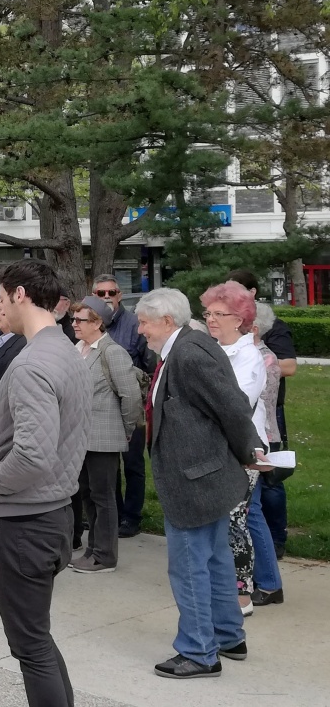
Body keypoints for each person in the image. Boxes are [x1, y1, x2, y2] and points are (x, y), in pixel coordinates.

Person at [0, 261, 89, 705]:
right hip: (51, 515)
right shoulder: (65, 350)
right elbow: (46, 431)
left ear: (21, 294)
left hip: (24, 525)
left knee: (30, 646)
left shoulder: (31, 363)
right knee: (37, 639)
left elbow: (32, 455)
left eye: (2, 298)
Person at [135, 287, 268, 679]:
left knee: (190, 567)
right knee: (215, 559)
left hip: (194, 480)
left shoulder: (189, 353)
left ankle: (199, 652)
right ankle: (228, 636)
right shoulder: (183, 347)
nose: (140, 330)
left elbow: (232, 405)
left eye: (144, 323)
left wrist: (250, 450)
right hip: (202, 475)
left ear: (167, 321)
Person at [200, 281, 274, 615]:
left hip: (243, 450)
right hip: (215, 446)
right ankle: (223, 587)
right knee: (220, 520)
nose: (211, 319)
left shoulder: (249, 356)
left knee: (234, 520)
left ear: (240, 319)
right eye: (208, 313)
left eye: (219, 314)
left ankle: (242, 595)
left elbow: (235, 405)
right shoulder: (213, 349)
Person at [226, 269, 297, 559]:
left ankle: (275, 539)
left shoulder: (268, 338)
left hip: (265, 420)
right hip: (251, 422)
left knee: (269, 483)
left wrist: (259, 358)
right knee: (252, 501)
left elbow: (288, 366)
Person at [69, 296, 141, 573]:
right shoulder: (78, 349)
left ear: (98, 323)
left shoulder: (112, 352)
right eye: (74, 318)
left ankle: (105, 556)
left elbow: (130, 396)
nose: (74, 324)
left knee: (103, 498)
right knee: (87, 495)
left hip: (104, 438)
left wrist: (126, 429)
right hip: (80, 438)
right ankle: (92, 550)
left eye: (80, 320)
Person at [90, 274, 153, 538]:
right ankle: (111, 514)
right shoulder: (89, 324)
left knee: (133, 463)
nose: (106, 297)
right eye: (100, 293)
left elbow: (149, 366)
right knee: (107, 467)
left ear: (120, 295)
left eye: (111, 292)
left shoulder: (134, 324)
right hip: (102, 409)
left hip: (131, 405)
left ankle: (132, 517)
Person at [249, 304, 285, 605]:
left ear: (253, 328)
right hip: (255, 438)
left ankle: (270, 584)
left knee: (252, 511)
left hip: (260, 440)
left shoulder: (264, 358)